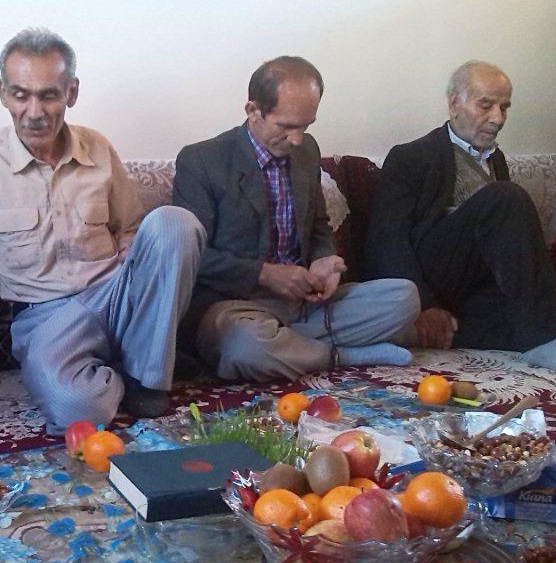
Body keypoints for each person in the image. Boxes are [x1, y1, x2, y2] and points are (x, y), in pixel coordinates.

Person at [0, 28, 205, 434]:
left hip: (114, 293)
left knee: (176, 222)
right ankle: (118, 369)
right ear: (3, 93)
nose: (34, 112)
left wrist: (131, 246)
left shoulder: (98, 148)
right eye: (20, 95)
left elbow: (131, 227)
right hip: (47, 316)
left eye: (48, 95)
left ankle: (146, 382)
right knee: (78, 409)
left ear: (71, 93)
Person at [172, 56, 419, 382]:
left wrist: (323, 260)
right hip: (235, 308)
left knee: (404, 298)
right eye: (286, 127)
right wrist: (265, 274)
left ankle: (290, 347)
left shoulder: (306, 151)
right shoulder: (202, 160)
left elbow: (318, 224)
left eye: (306, 126)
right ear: (253, 110)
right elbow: (191, 257)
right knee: (245, 345)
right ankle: (341, 355)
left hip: (305, 305)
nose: (297, 139)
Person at [365, 61, 556, 376]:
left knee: (517, 319)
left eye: (504, 108)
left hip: (470, 293)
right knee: (506, 198)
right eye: (486, 105)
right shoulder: (410, 156)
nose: (498, 118)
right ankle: (546, 337)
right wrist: (424, 307)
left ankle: (539, 337)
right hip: (429, 276)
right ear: (454, 104)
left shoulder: (496, 159)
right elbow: (387, 242)